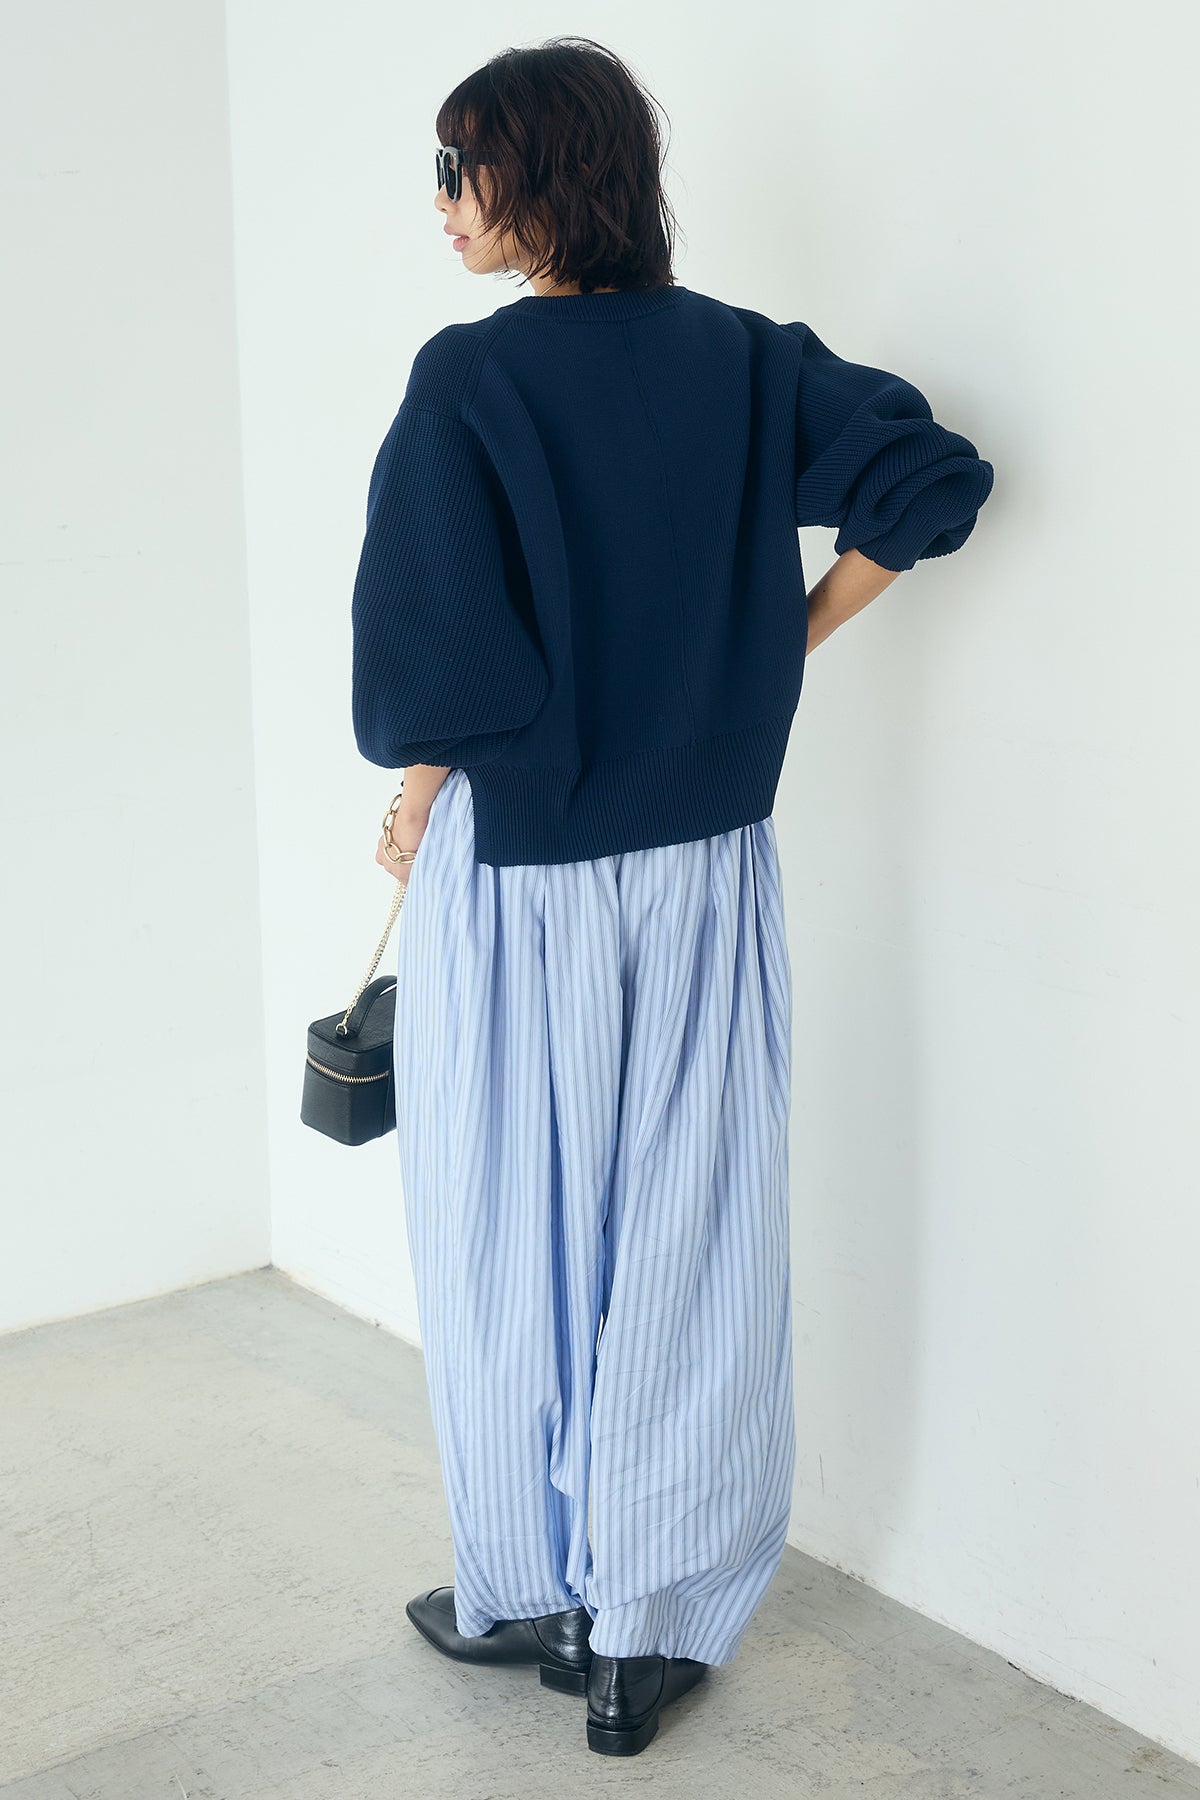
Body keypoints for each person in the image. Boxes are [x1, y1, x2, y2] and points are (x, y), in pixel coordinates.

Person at [349, 36, 995, 1759]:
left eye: (462, 164)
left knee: (507, 1231)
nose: (442, 199)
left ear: (545, 175)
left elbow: (441, 662)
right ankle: (640, 1637)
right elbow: (930, 481)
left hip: (523, 867)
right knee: (691, 1235)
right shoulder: (743, 361)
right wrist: (777, 648)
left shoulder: (470, 380)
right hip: (702, 864)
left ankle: (523, 1586)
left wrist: (417, 790)